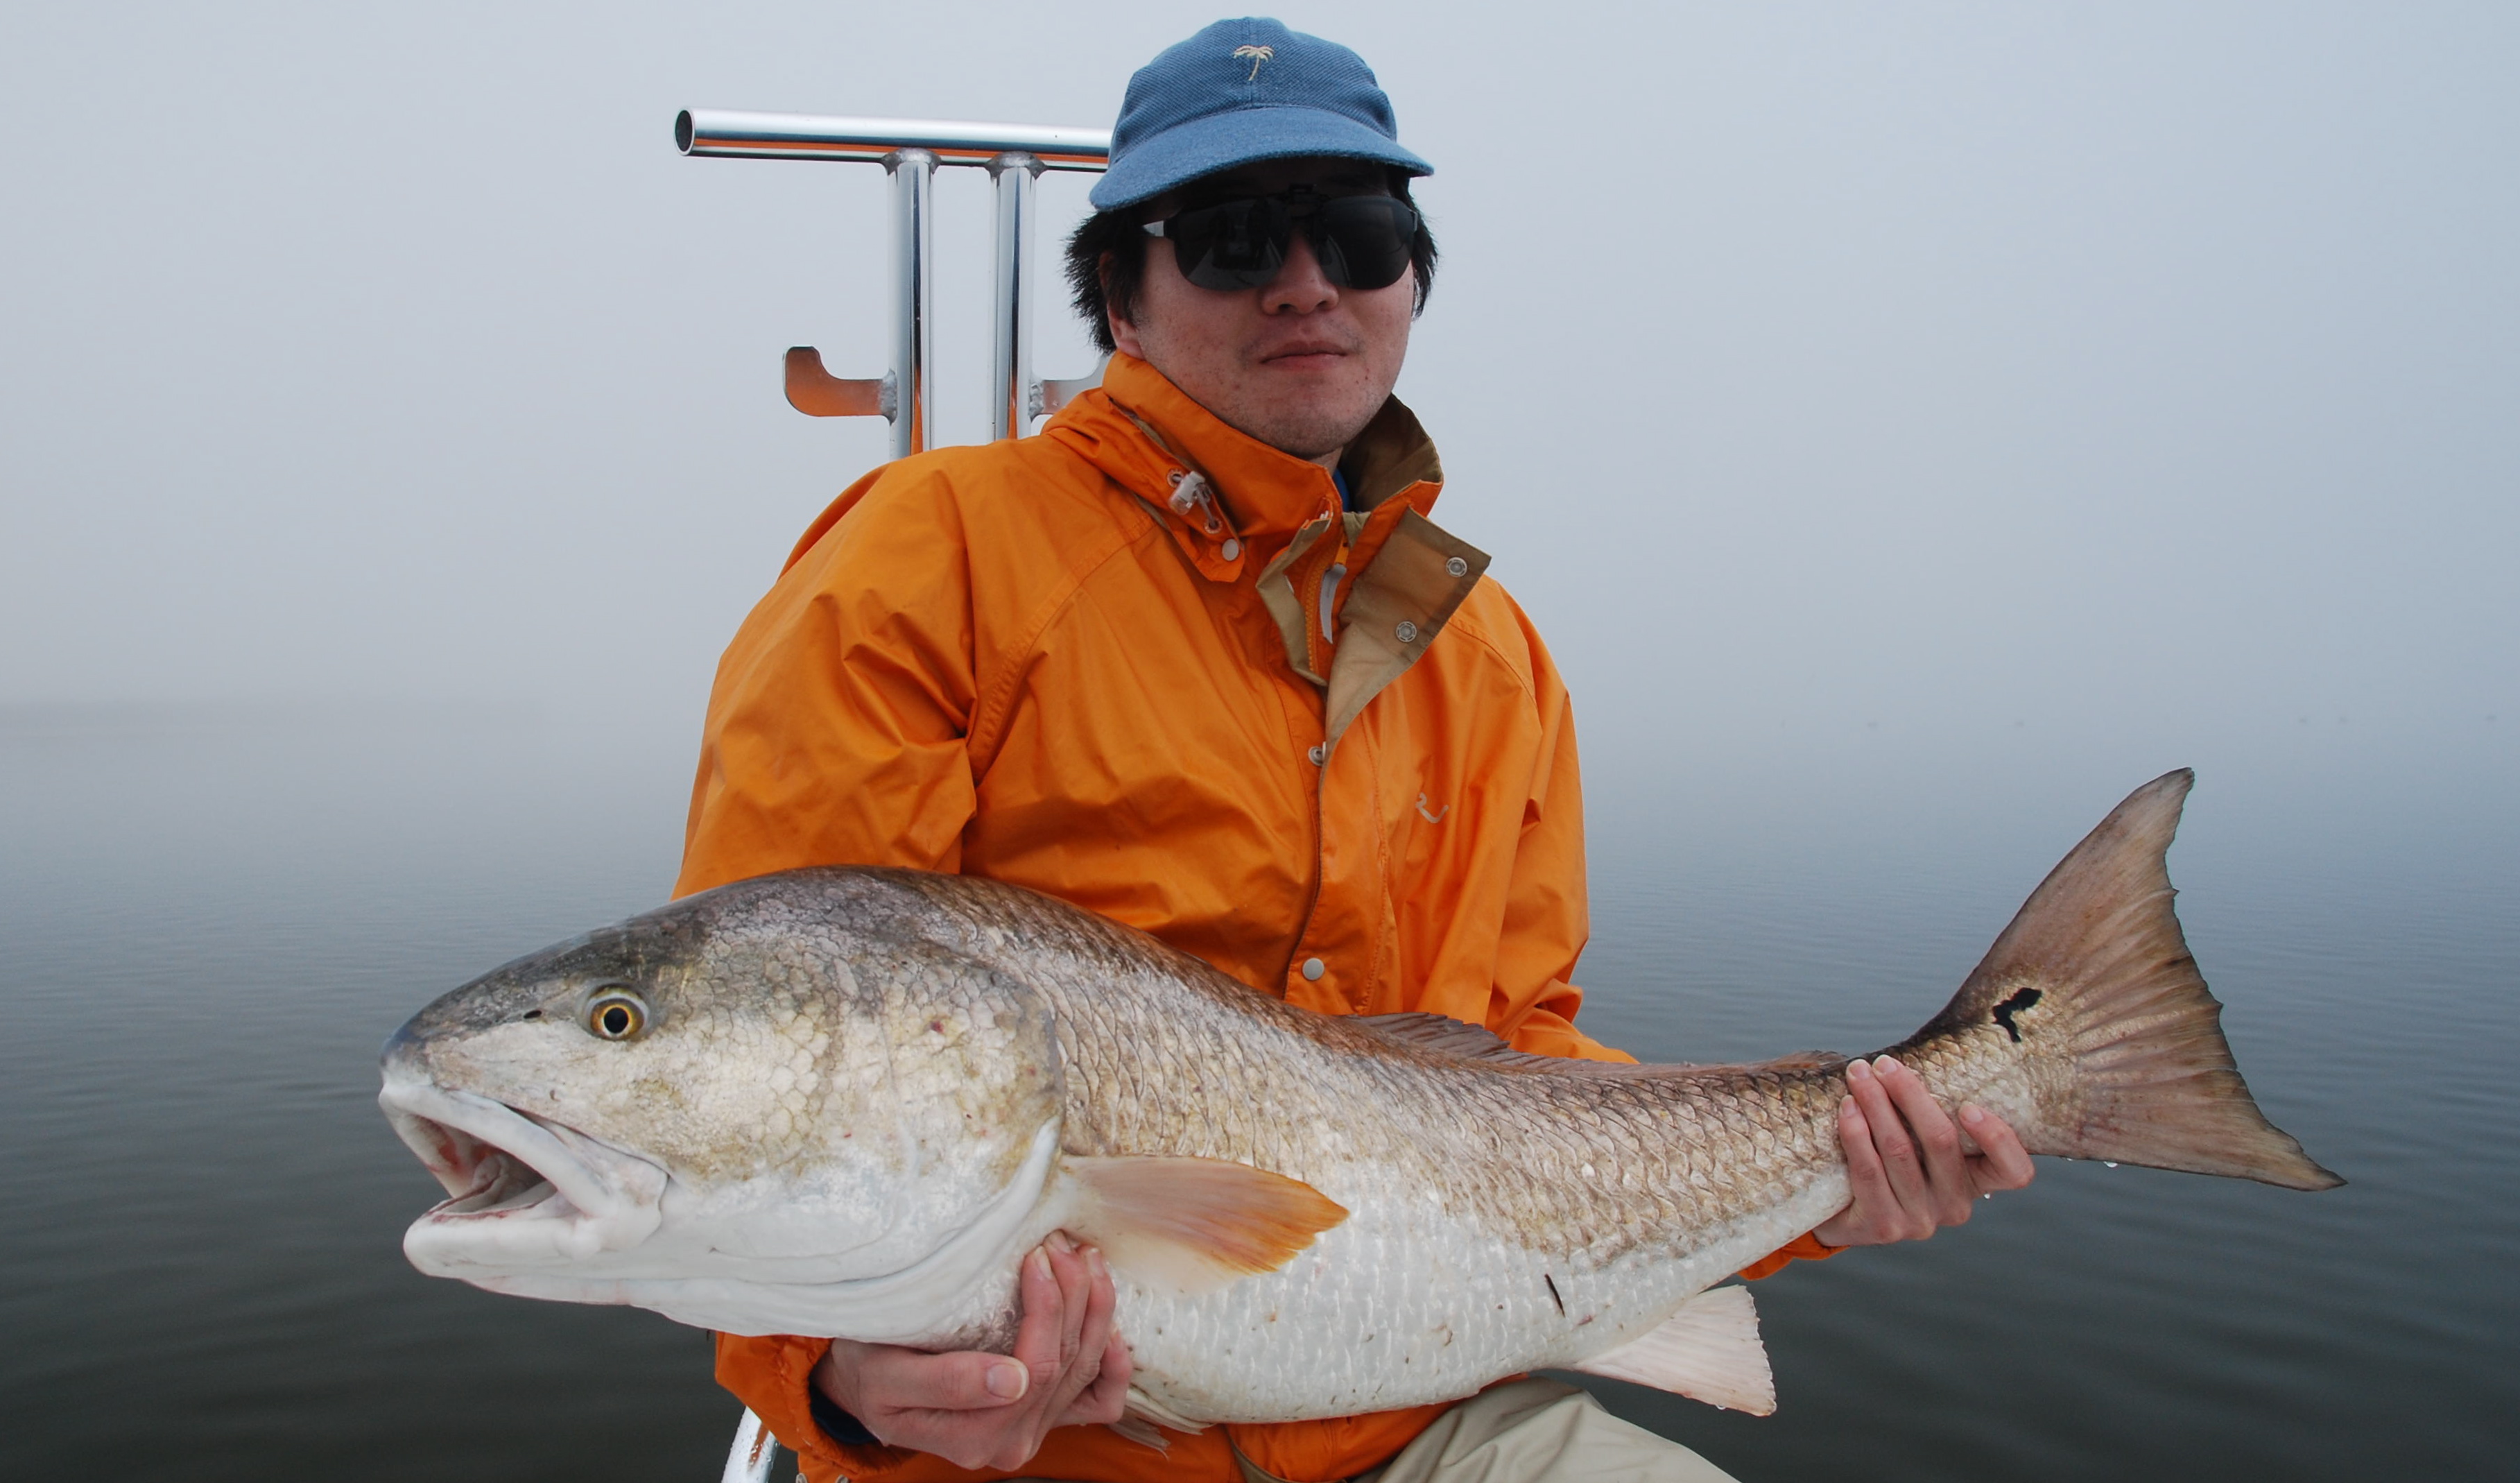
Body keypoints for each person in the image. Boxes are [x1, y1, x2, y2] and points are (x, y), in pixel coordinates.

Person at [673, 19, 2034, 1483]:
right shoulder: (924, 560)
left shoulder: (1489, 650)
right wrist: (838, 1382)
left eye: (1358, 231)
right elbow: (761, 1052)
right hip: (1043, 1450)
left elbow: (1522, 1063)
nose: (1305, 279)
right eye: (1231, 237)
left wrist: (1828, 1180)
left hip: (1423, 1409)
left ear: (1407, 281)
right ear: (1121, 300)